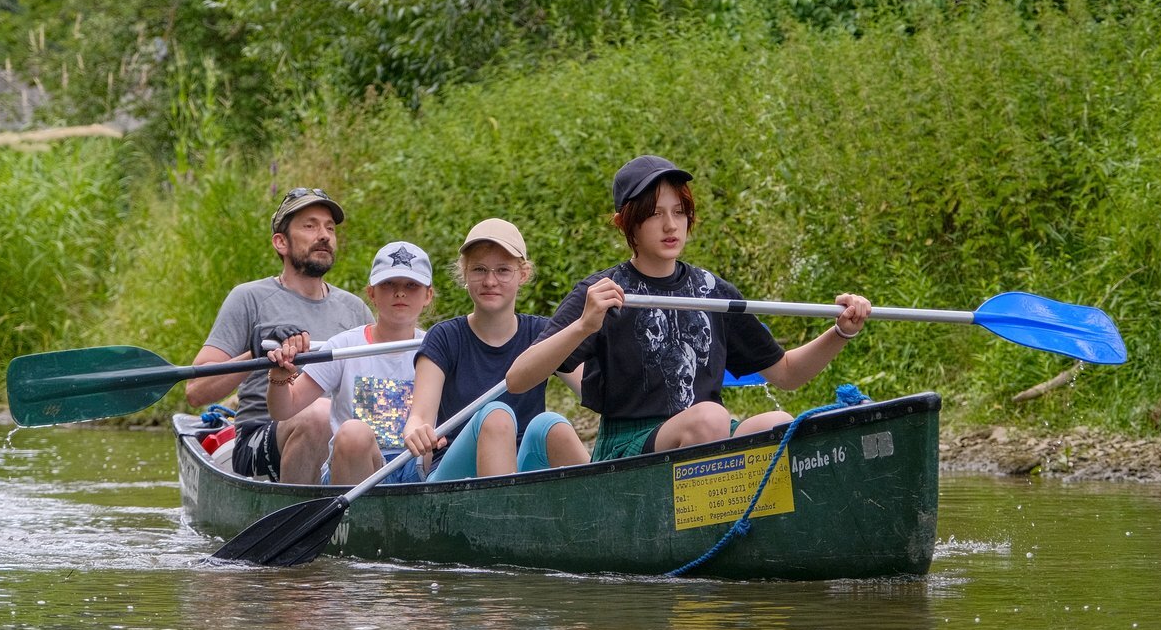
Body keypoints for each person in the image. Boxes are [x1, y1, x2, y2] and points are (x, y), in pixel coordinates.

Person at [505, 154, 872, 461]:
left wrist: (842, 331)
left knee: (776, 421)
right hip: (629, 447)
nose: (670, 225)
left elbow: (787, 374)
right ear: (625, 223)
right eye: (654, 214)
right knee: (710, 418)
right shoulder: (601, 292)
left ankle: (749, 526)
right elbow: (518, 378)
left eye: (679, 211)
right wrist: (584, 325)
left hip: (707, 432)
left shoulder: (711, 291)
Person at [186, 187, 374, 483]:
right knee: (318, 414)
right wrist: (257, 353)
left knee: (355, 428)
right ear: (281, 242)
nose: (323, 235)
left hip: (344, 435)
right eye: (310, 226)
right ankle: (302, 523)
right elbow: (196, 393)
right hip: (260, 436)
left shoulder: (355, 310)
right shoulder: (248, 298)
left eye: (329, 228)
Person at [402, 218, 591, 480]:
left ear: (522, 274)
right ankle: (500, 518)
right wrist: (416, 430)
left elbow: (596, 390)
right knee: (496, 415)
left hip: (523, 469)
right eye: (479, 269)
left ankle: (608, 514)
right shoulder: (443, 337)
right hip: (452, 479)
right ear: (465, 273)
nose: (490, 281)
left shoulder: (543, 334)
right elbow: (420, 416)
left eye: (503, 270)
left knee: (551, 424)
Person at [265, 241, 434, 485]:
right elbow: (283, 409)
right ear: (372, 294)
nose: (400, 293)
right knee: (355, 432)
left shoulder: (437, 348)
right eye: (388, 284)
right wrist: (280, 377)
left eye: (411, 285)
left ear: (428, 295)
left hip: (417, 471)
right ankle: (351, 521)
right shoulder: (345, 345)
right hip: (352, 470)